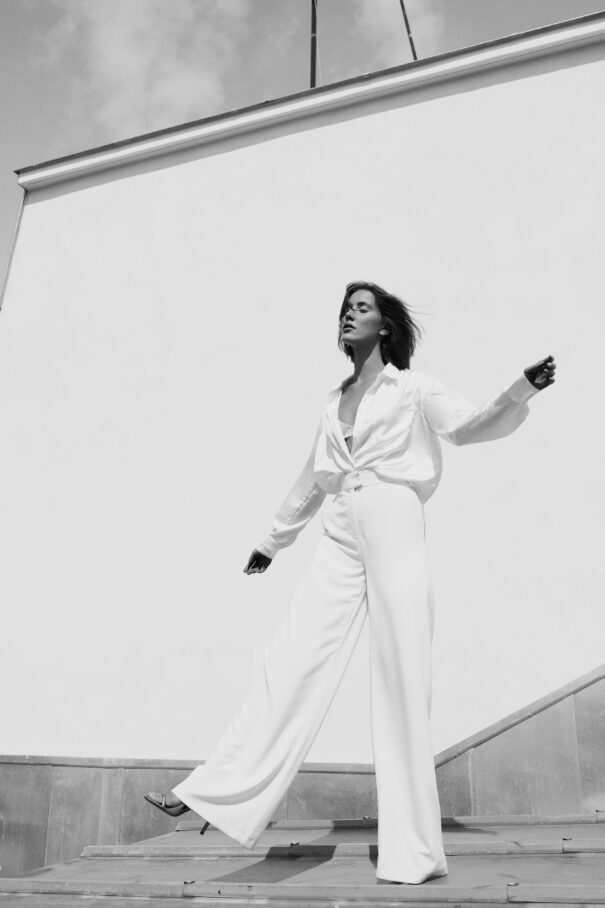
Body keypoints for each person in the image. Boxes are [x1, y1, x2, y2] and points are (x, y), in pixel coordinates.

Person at [145, 280, 555, 884]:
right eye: (345, 308)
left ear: (385, 325)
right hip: (341, 528)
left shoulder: (413, 388)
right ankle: (214, 790)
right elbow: (315, 477)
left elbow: (466, 428)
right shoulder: (332, 400)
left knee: (401, 677)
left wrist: (521, 388)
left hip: (394, 518)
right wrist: (271, 541)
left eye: (361, 308)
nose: (348, 315)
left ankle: (413, 852)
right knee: (290, 657)